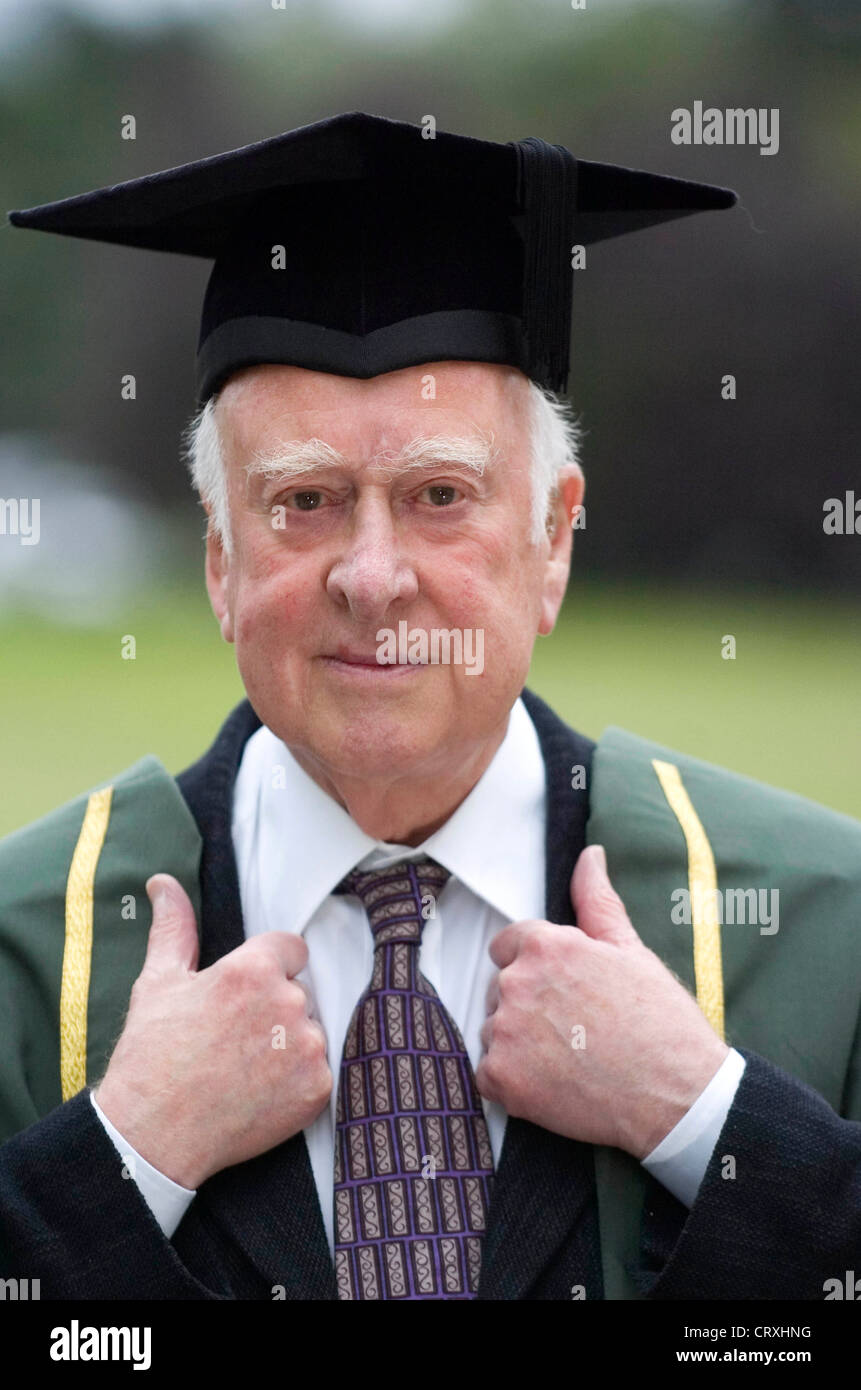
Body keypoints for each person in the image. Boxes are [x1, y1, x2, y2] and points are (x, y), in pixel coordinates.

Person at [1, 112, 859, 1301]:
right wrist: (126, 1153)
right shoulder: (25, 952)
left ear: (552, 539)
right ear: (218, 560)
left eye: (439, 493)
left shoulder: (824, 932)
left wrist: (707, 1118)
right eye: (303, 499)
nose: (370, 574)